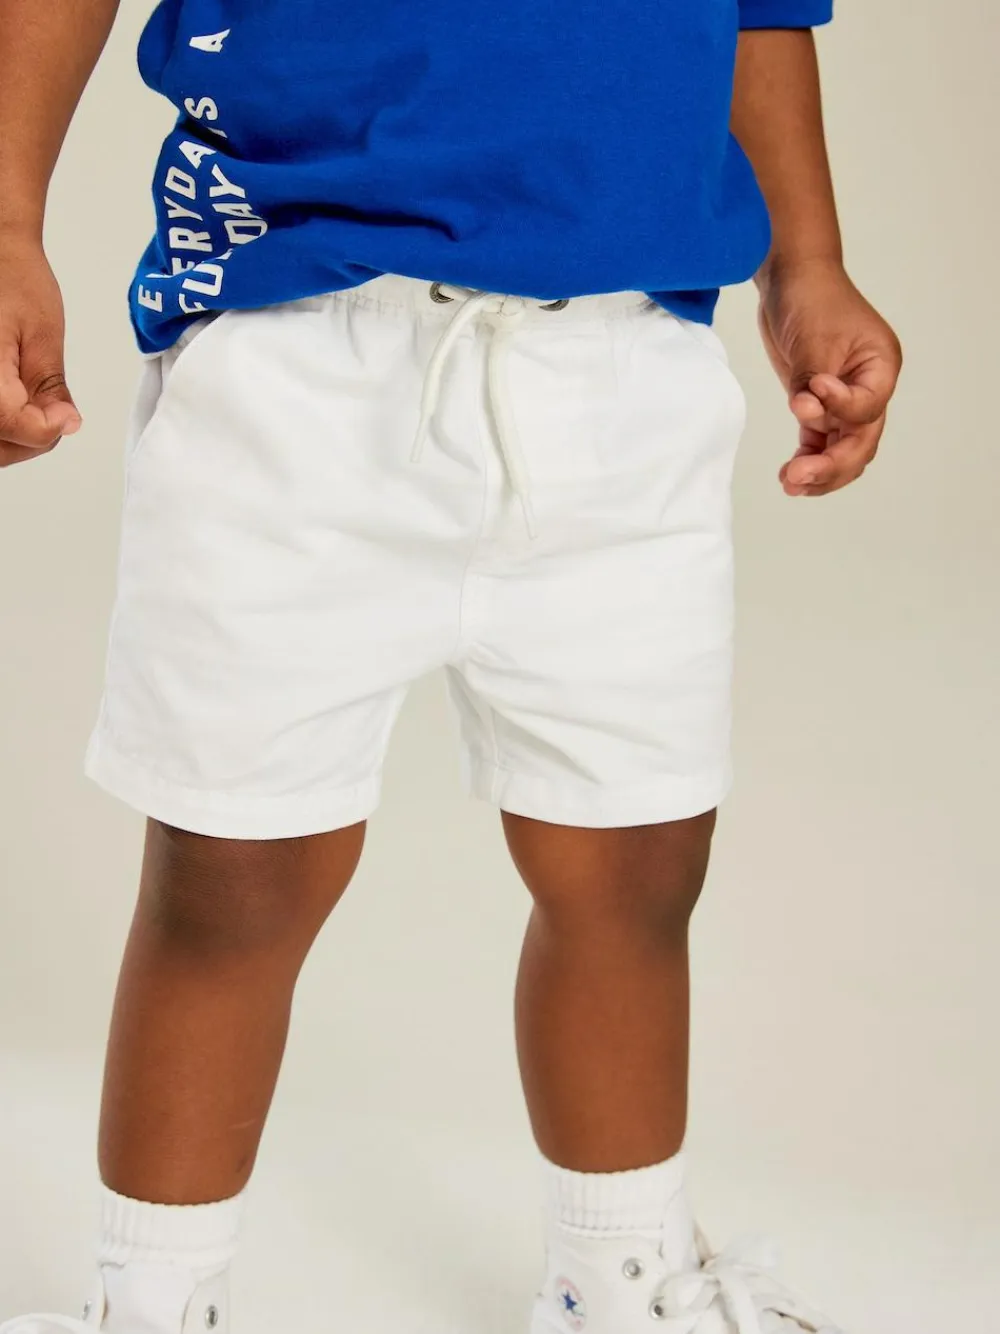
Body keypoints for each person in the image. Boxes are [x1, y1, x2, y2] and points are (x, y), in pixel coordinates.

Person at [0, 1, 902, 1331]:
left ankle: (620, 1278)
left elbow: (759, 8)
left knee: (638, 854)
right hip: (297, 351)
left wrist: (807, 262)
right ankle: (153, 1299)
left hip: (625, 368)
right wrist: (8, 221)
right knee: (234, 873)